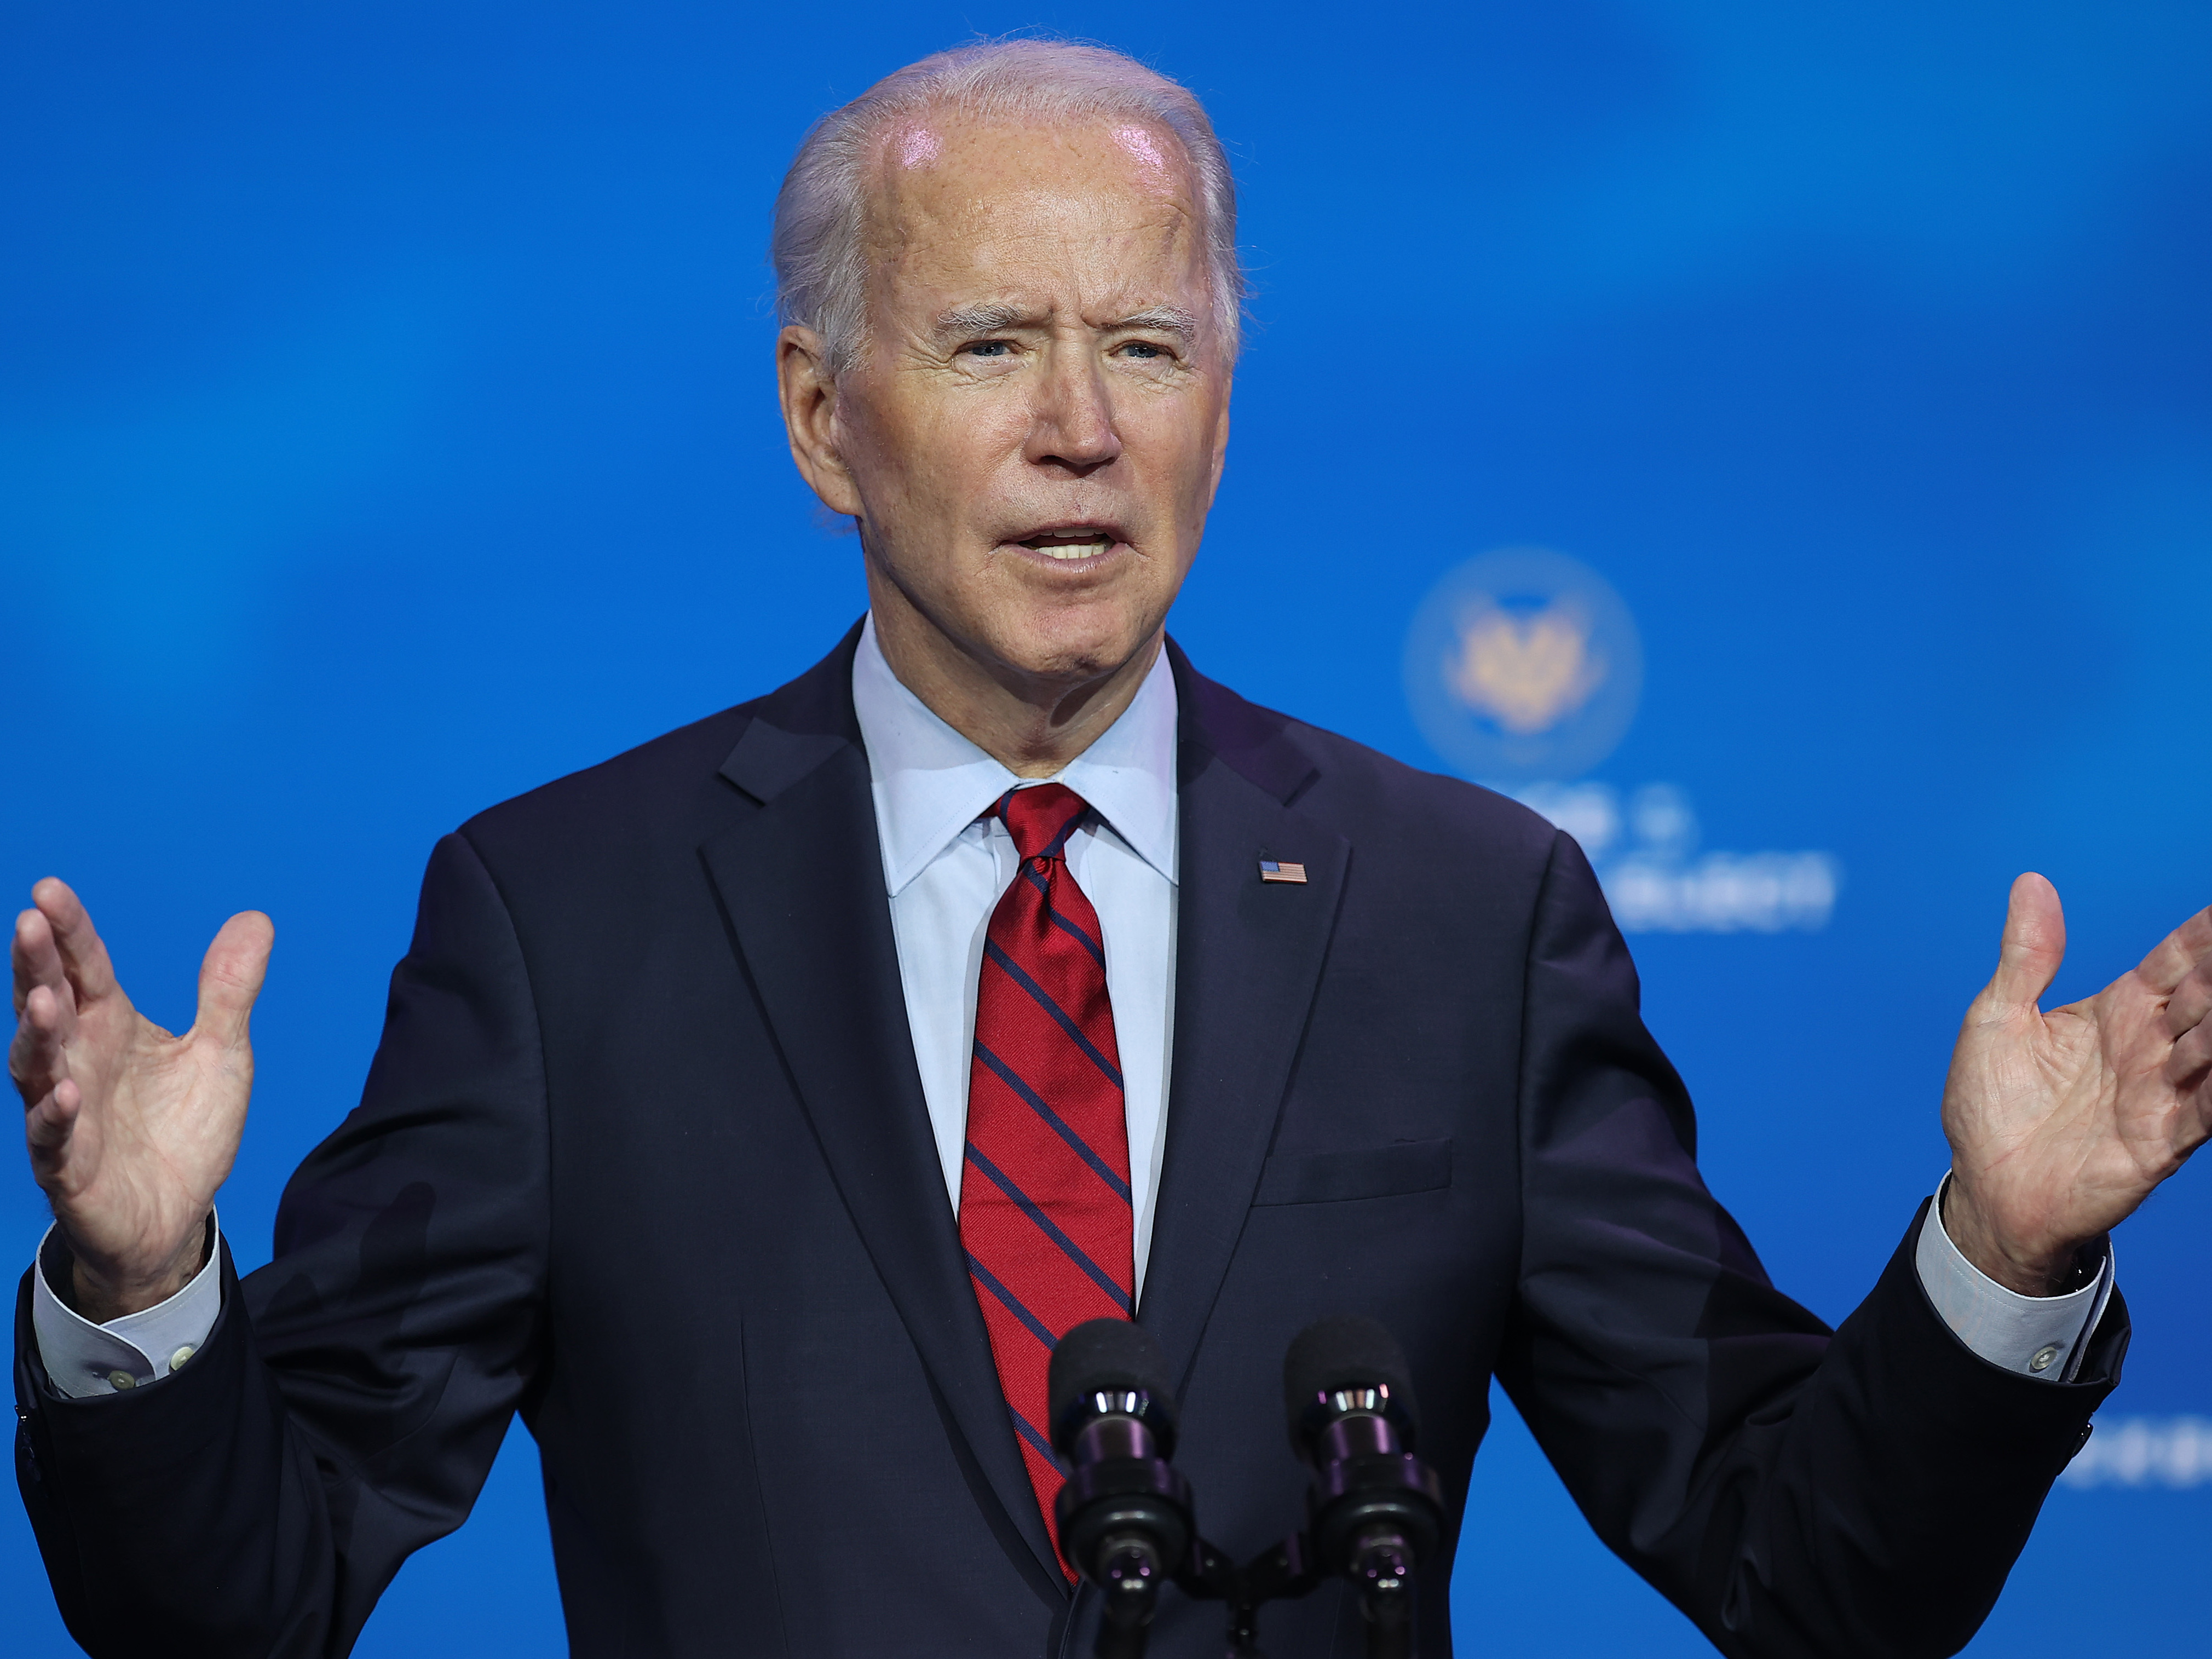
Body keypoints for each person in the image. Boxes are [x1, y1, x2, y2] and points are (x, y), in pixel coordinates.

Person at [10, 38, 2210, 1659]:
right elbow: (244, 1603)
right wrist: (138, 1285)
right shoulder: (565, 921)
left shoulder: (1462, 910)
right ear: (818, 417)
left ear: (1220, 406)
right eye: (991, 344)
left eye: (1142, 345)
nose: (1080, 426)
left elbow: (1799, 1569)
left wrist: (1999, 1255)